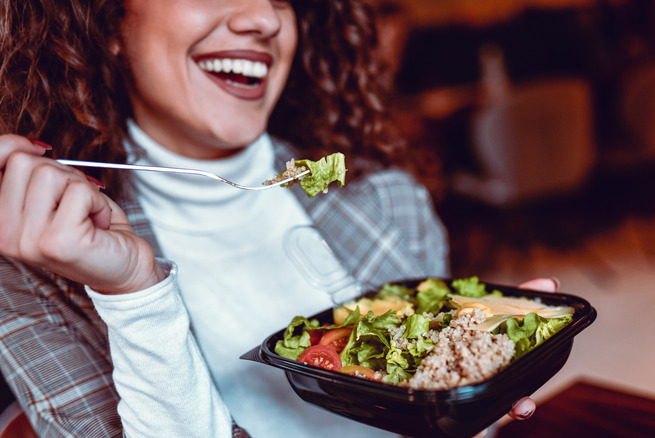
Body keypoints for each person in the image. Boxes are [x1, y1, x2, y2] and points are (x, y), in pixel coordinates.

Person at [0, 0, 548, 436]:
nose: (264, 17)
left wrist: (468, 398)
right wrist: (133, 294)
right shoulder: (30, 270)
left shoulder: (387, 200)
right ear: (109, 22)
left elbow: (432, 402)